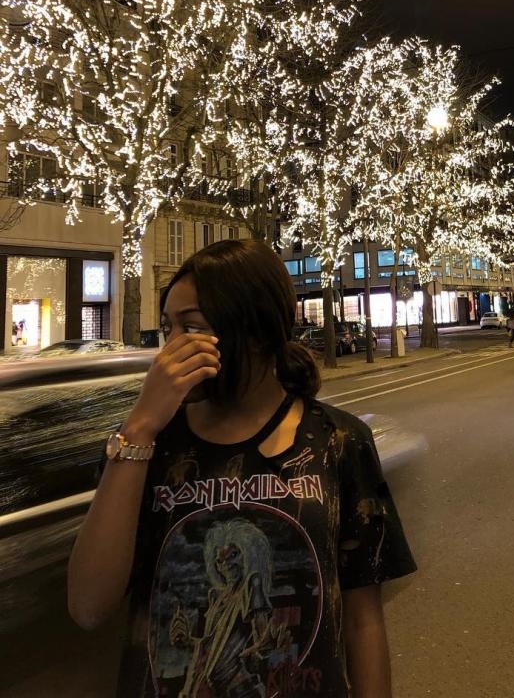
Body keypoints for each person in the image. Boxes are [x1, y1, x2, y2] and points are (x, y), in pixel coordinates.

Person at [68, 239, 416, 698]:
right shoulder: (146, 445)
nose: (170, 350)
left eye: (192, 328)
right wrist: (139, 428)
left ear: (256, 333)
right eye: (168, 329)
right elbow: (89, 606)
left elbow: (362, 621)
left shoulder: (338, 442)